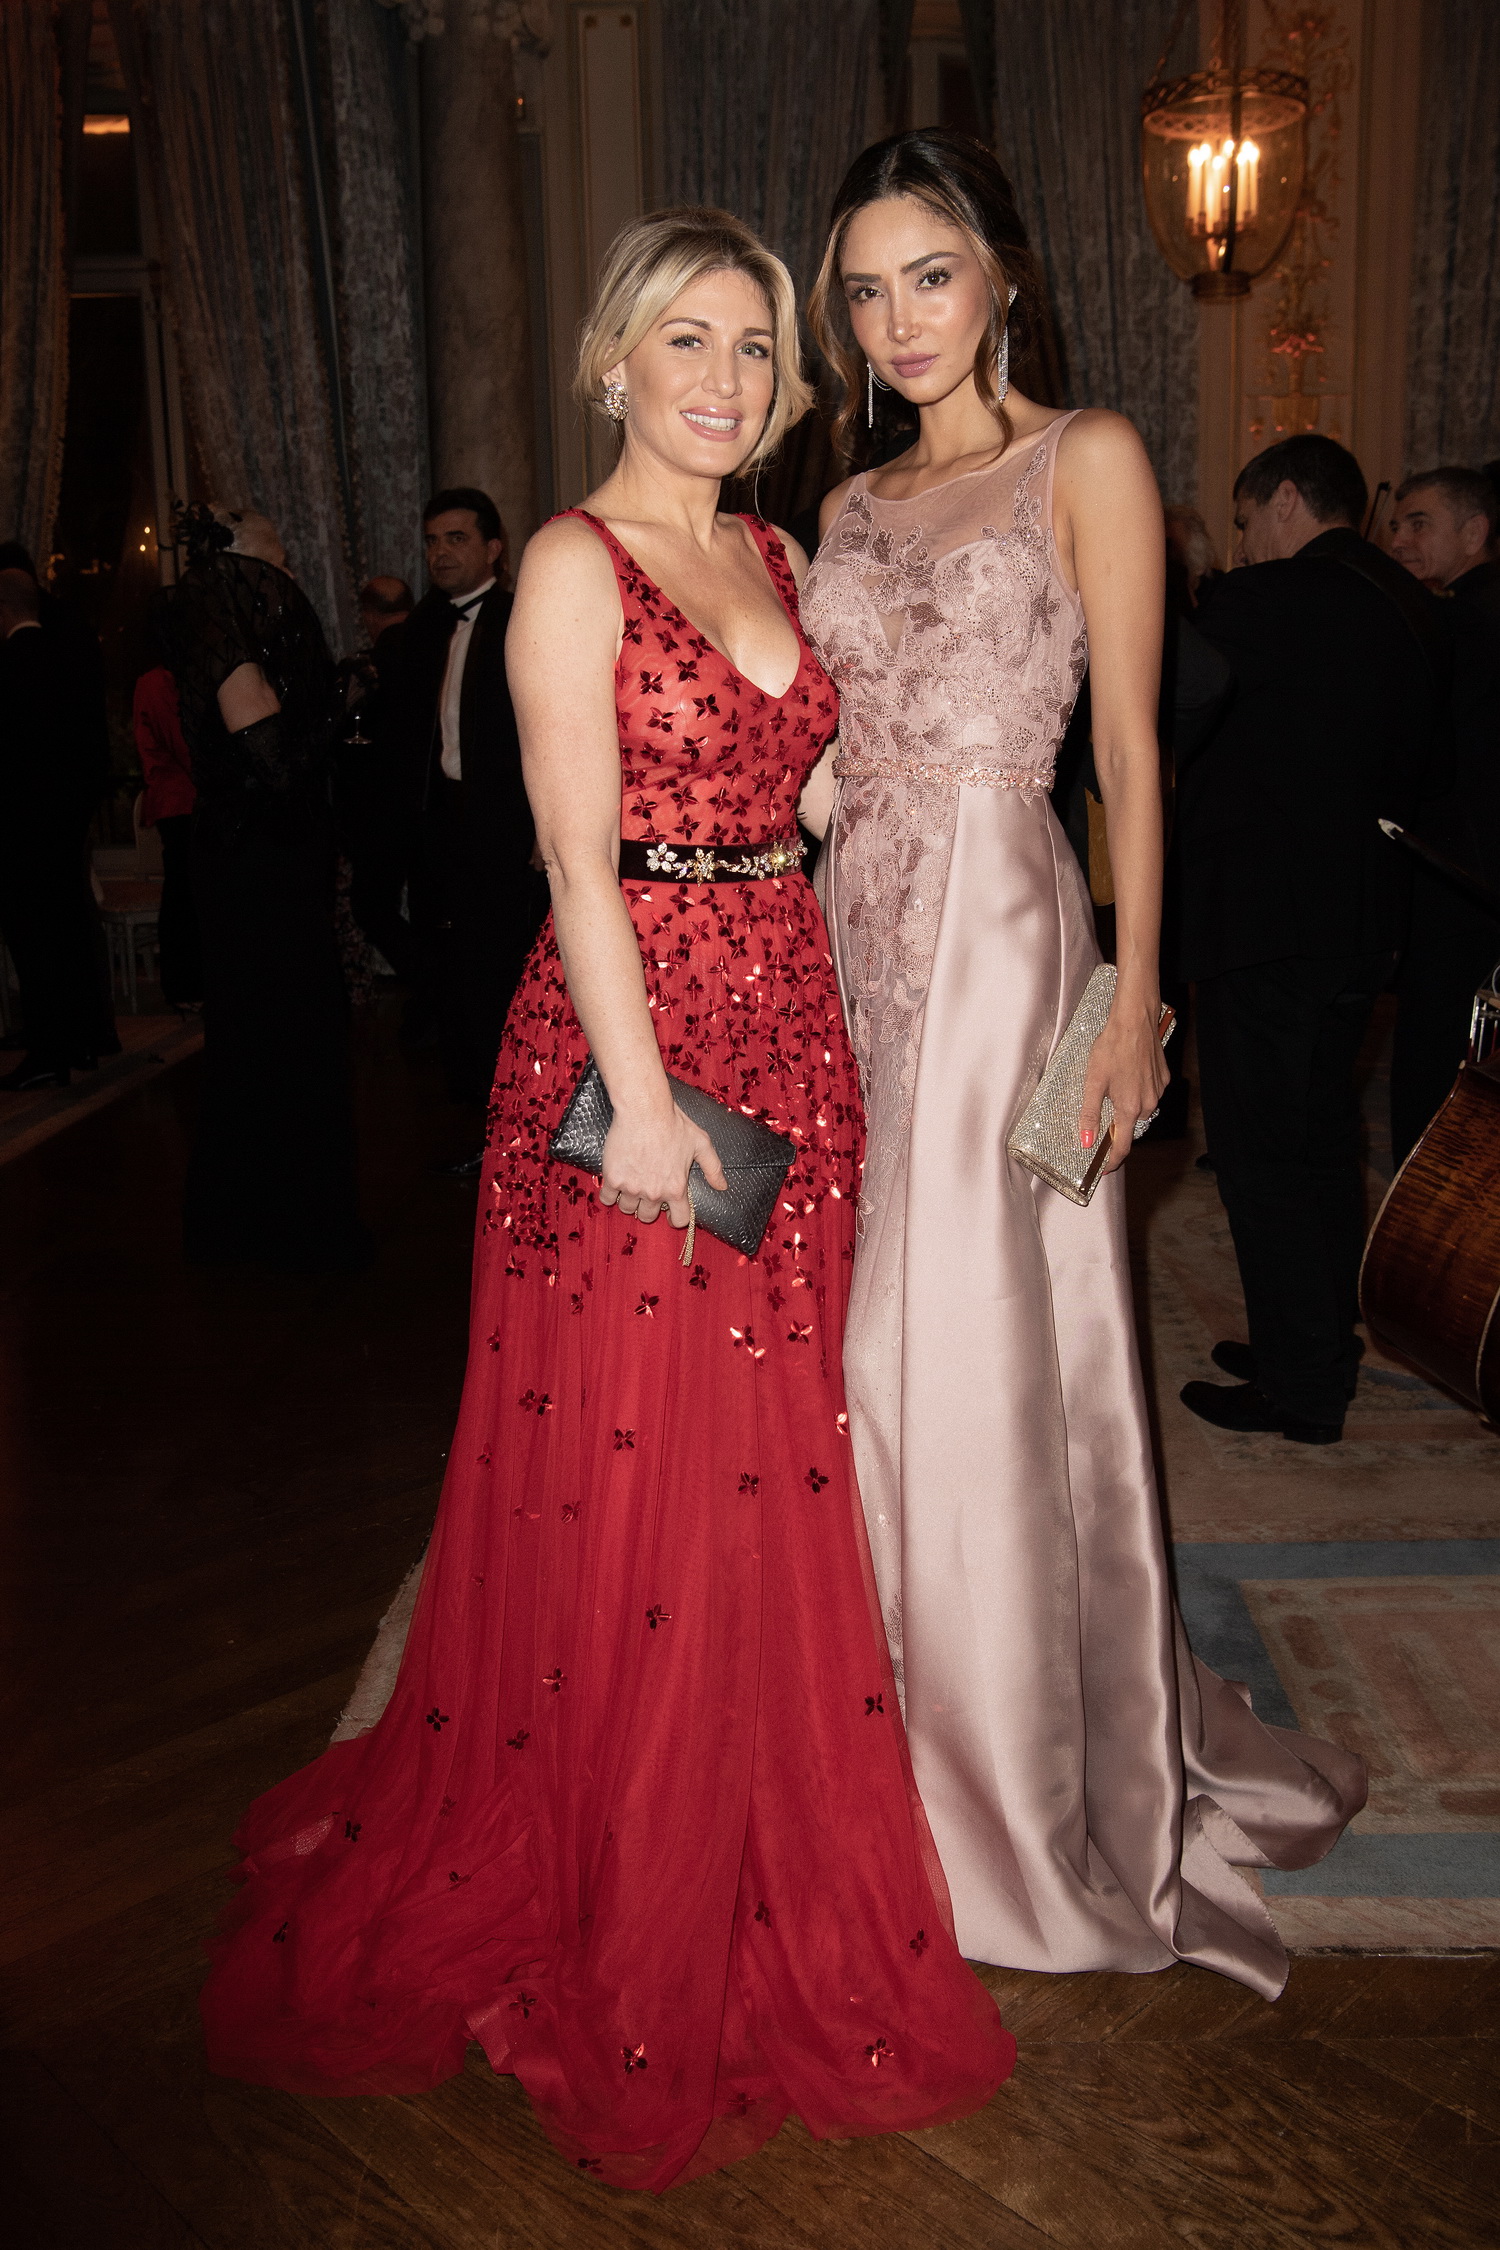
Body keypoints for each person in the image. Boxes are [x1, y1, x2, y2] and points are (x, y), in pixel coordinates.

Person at [199, 207, 1014, 2190]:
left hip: (794, 1030)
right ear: (615, 361)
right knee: (648, 1467)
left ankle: (735, 1818)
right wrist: (641, 1106)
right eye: (689, 342)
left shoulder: (780, 555)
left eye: (755, 347)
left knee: (770, 1455)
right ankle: (628, 1856)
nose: (727, 379)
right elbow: (577, 859)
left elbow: (803, 792)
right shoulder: (573, 565)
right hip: (633, 1051)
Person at [800, 130, 1364, 1996]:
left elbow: (1132, 749)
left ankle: (992, 1773)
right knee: (849, 1333)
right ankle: (866, 1726)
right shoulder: (851, 499)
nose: (898, 322)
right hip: (852, 931)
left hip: (1002, 936)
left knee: (948, 1337)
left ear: (1003, 276)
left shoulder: (1088, 455)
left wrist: (1133, 997)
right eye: (865, 292)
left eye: (929, 277)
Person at [1176, 434, 1445, 1433]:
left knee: (1263, 1157)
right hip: (1368, 917)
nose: (1246, 540)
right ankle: (1317, 1341)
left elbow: (1174, 712)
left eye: (1248, 519)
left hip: (1263, 921)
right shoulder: (1410, 601)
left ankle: (1302, 1389)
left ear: (1287, 499)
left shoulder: (1264, 601)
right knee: (1326, 1141)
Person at [166, 506, 364, 1269]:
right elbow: (274, 762)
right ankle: (276, 1230)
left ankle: (268, 1223)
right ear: (240, 566)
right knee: (279, 1037)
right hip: (256, 866)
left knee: (276, 1037)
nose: (286, 574)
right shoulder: (224, 621)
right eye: (274, 560)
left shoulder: (228, 625)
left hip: (260, 859)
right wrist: (345, 699)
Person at [380, 489, 548, 1157]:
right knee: (449, 967)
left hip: (503, 822)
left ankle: (516, 1119)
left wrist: (542, 824)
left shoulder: (519, 618)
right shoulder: (422, 629)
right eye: (432, 541)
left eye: (456, 538)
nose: (440, 553)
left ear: (493, 548)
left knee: (502, 968)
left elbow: (547, 728)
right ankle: (471, 1109)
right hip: (439, 821)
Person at [1387, 467, 1500, 1159]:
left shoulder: (1459, 622)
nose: (1399, 539)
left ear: (1475, 531)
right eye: (1396, 524)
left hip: (1461, 874)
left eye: (1418, 523)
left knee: (1439, 1061)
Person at [0, 566, 119, 1088]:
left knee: (35, 943)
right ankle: (83, 1038)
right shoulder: (67, 659)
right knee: (70, 933)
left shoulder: (8, 666)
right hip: (67, 825)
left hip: (22, 829)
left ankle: (49, 1048)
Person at [333, 575, 416, 988]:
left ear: (367, 615)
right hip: (428, 804)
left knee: (370, 907)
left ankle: (428, 984)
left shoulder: (363, 667)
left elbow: (337, 740)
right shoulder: (433, 653)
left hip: (376, 811)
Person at [133, 595, 203, 1007]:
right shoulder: (158, 682)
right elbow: (182, 745)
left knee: (186, 893)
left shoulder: (165, 678)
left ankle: (187, 982)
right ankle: (184, 984)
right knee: (183, 895)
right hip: (180, 801)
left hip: (183, 799)